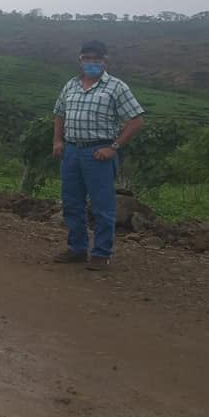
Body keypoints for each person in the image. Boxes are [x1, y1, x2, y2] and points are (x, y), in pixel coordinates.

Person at [52, 40, 145, 271]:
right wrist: (58, 140)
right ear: (80, 60)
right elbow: (59, 114)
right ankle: (77, 249)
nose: (91, 63)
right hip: (71, 151)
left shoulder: (116, 87)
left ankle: (101, 253)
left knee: (102, 205)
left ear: (105, 61)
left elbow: (136, 121)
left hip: (98, 153)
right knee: (72, 203)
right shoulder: (71, 85)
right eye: (87, 59)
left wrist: (114, 147)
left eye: (96, 59)